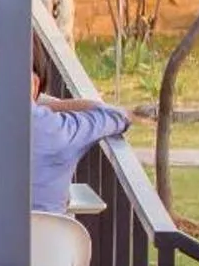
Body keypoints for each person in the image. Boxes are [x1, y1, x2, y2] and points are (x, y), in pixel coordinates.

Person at [31, 70, 130, 214]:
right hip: (51, 235)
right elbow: (117, 115)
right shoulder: (63, 128)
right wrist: (45, 108)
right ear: (35, 83)